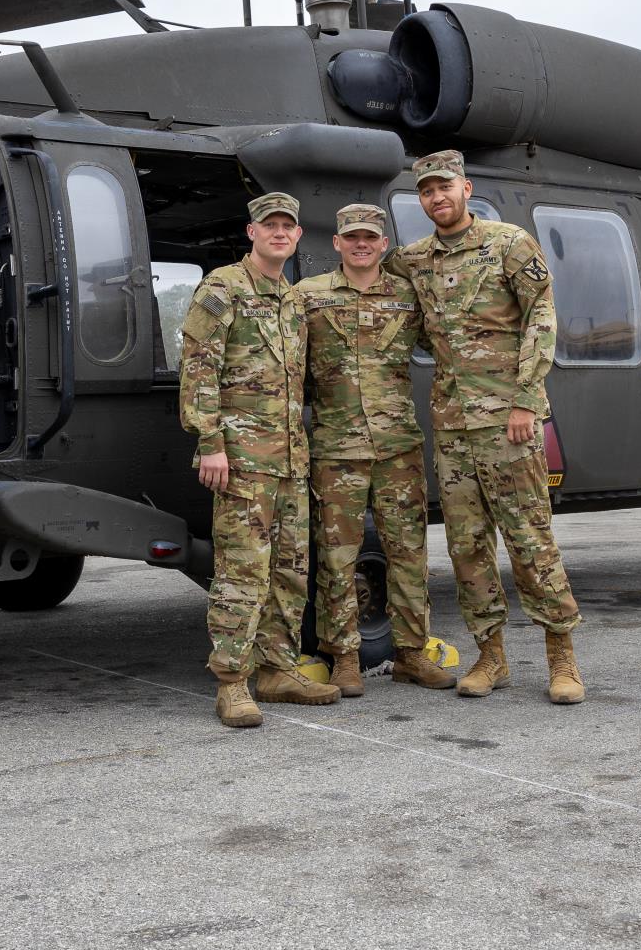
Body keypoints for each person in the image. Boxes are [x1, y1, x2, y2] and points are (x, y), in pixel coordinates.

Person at [393, 150, 585, 704]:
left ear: (466, 188)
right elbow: (386, 293)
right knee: (467, 547)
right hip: (452, 427)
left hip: (510, 423)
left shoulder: (509, 244)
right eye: (427, 190)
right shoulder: (416, 259)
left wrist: (526, 400)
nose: (437, 197)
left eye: (444, 187)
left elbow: (542, 318)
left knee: (530, 540)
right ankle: (491, 657)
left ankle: (561, 657)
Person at [180, 191, 337, 728]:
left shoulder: (292, 301)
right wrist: (210, 443)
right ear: (251, 233)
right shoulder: (222, 288)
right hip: (243, 460)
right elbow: (199, 369)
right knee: (242, 573)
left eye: (287, 226)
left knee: (290, 572)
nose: (278, 233)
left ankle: (277, 670)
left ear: (297, 237)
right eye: (268, 225)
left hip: (292, 461)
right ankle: (232, 682)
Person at [295, 203, 454, 695]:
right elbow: (282, 368)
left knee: (408, 552)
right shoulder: (307, 296)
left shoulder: (408, 296)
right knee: (337, 557)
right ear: (337, 243)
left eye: (370, 237)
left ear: (383, 244)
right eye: (351, 237)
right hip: (335, 450)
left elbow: (452, 347)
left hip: (397, 449)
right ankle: (342, 657)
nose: (361, 244)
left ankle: (410, 654)